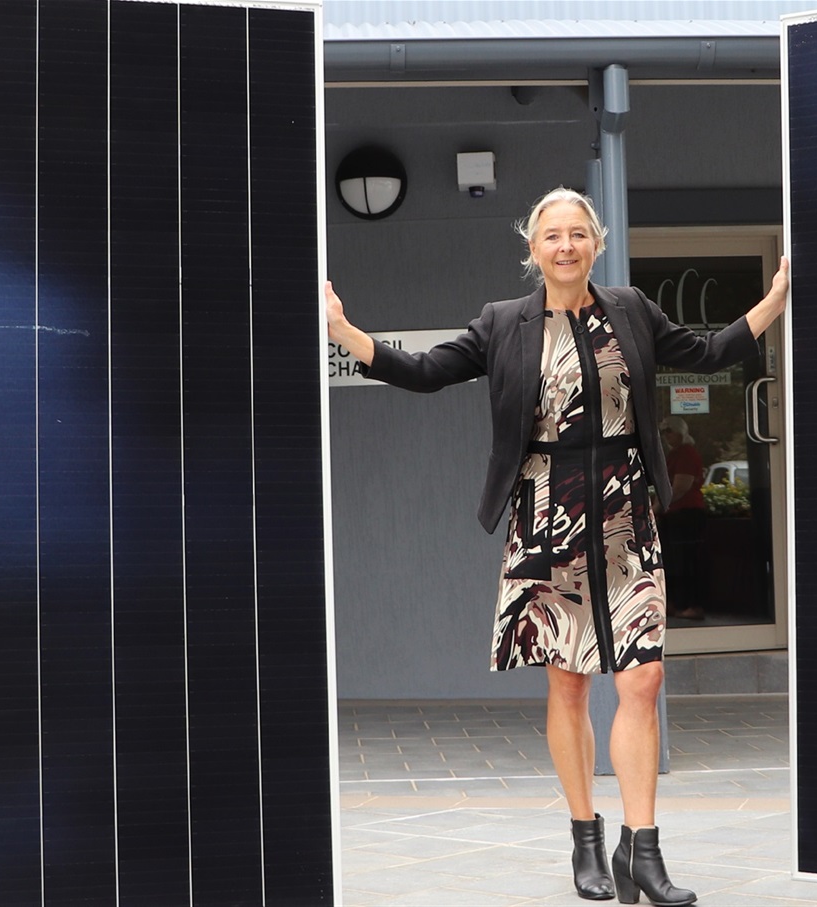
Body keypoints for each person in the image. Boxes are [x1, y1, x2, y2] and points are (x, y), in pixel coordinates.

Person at [326, 187, 788, 906]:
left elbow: (707, 352)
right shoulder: (503, 323)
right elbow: (424, 372)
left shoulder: (631, 308)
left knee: (642, 678)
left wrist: (775, 299)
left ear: (596, 244)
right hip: (546, 514)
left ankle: (644, 849)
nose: (566, 245)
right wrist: (345, 331)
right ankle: (584, 838)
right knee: (569, 681)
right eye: (552, 235)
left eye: (578, 233)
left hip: (627, 513)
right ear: (533, 248)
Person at [656, 416, 708, 621]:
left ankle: (692, 605)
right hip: (675, 514)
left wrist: (656, 508)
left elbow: (680, 487)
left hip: (687, 515)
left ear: (680, 432)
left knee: (687, 561)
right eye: (663, 431)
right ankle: (677, 603)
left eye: (669, 430)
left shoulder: (686, 454)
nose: (666, 435)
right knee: (674, 561)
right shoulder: (675, 454)